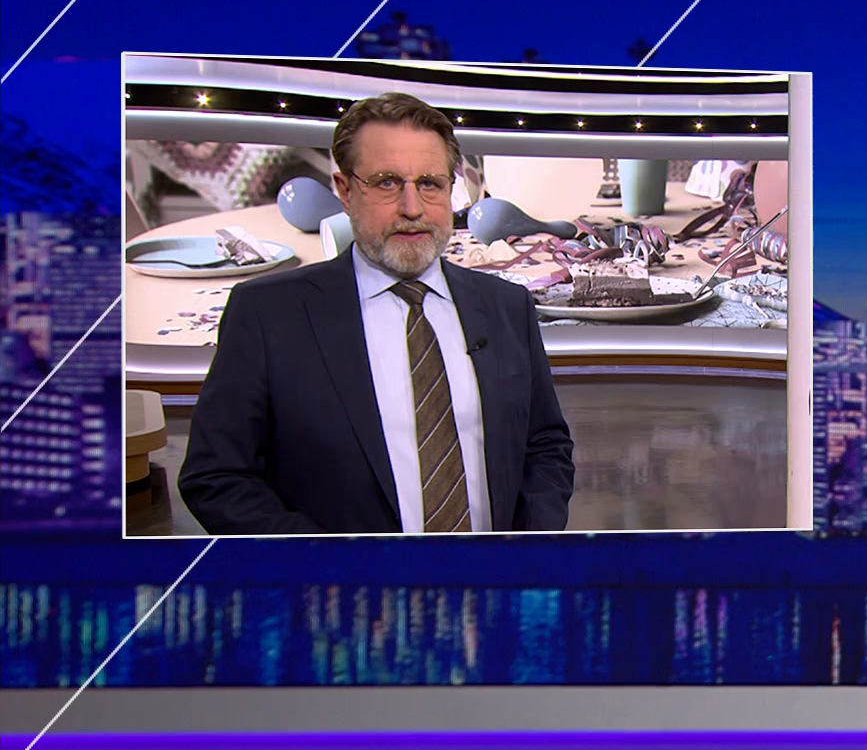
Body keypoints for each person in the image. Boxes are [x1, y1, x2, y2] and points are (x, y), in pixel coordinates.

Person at [180, 92, 574, 534]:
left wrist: (530, 548)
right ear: (345, 191)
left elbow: (545, 445)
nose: (412, 208)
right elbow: (217, 478)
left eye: (430, 183)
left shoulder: (507, 307)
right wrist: (329, 564)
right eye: (387, 182)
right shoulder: (267, 315)